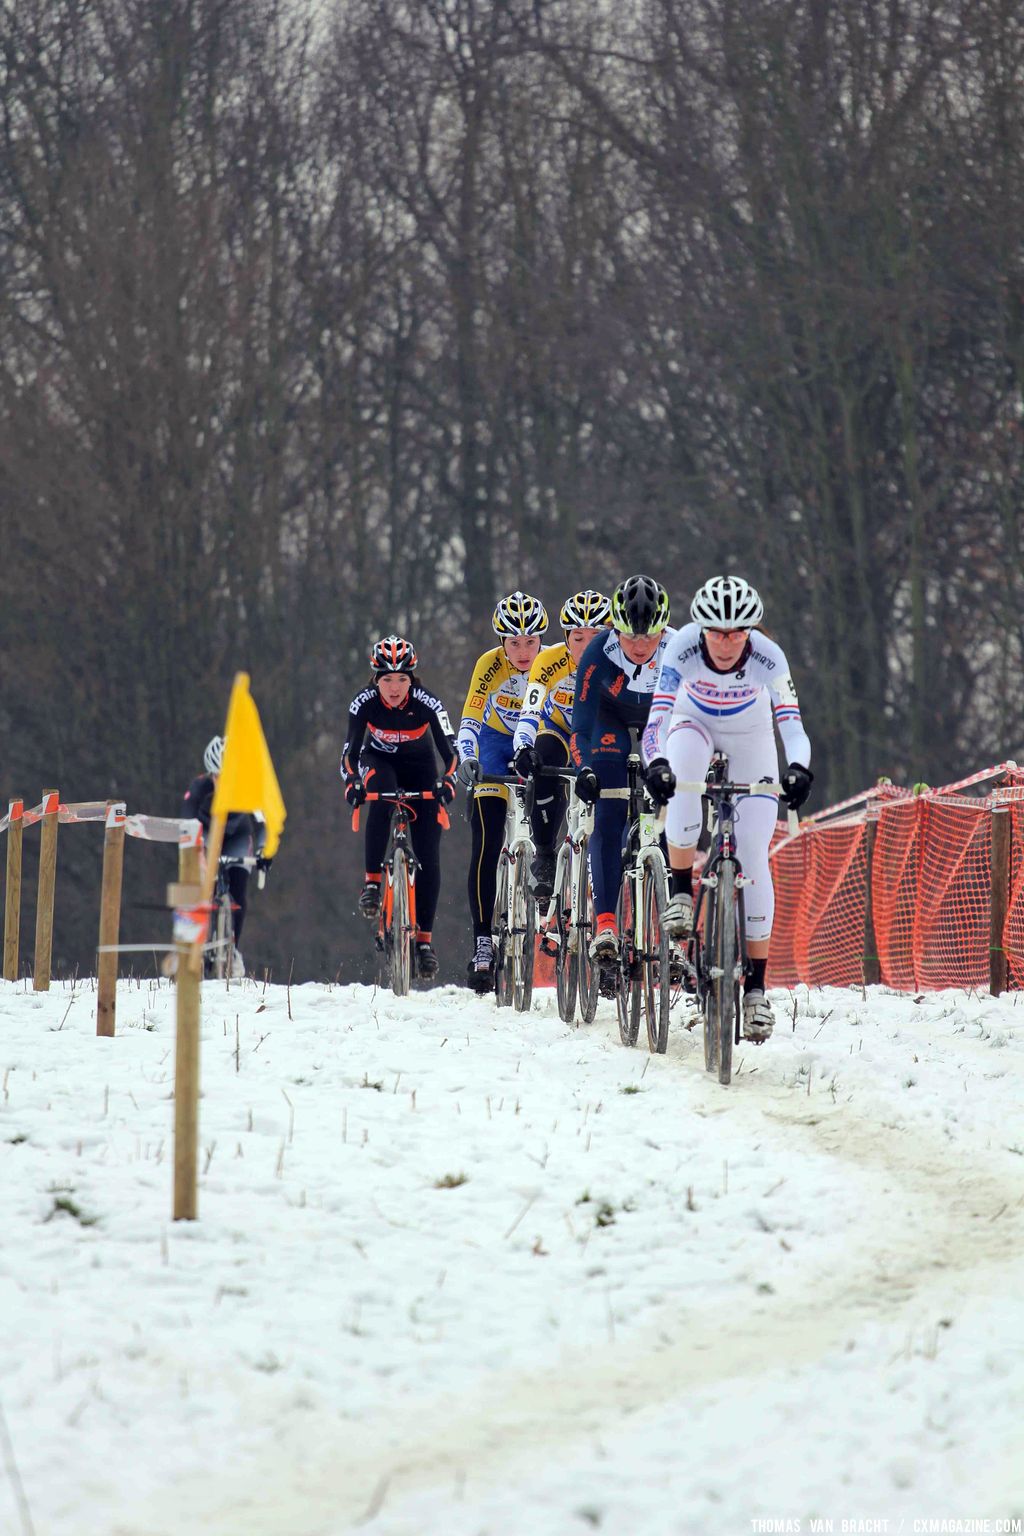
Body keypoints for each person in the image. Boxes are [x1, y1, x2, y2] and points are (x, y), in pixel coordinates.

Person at [642, 574, 813, 1042]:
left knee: (755, 856)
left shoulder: (768, 657)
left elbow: (792, 726)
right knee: (682, 777)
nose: (725, 642)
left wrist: (797, 769)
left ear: (750, 633)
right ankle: (680, 891)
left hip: (751, 737)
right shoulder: (681, 650)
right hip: (692, 723)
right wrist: (656, 763)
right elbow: (657, 719)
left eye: (736, 632)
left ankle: (756, 989)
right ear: (702, 630)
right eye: (716, 632)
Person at [568, 575, 675, 976]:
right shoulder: (598, 652)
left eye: (650, 638)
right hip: (608, 721)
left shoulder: (678, 649)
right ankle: (606, 924)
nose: (641, 647)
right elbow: (580, 726)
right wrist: (584, 769)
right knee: (609, 812)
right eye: (631, 638)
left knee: (668, 809)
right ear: (615, 627)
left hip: (658, 721)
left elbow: (697, 716)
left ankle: (673, 930)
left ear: (664, 630)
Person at [341, 635, 458, 981]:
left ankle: (424, 942)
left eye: (402, 680)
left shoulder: (427, 703)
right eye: (387, 680)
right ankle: (373, 883)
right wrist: (352, 783)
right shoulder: (363, 704)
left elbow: (451, 752)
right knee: (382, 794)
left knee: (428, 852)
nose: (394, 688)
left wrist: (448, 782)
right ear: (375, 679)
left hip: (420, 765)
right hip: (378, 761)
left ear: (413, 680)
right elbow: (348, 753)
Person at [457, 590, 548, 990]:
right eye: (515, 642)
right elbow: (471, 718)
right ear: (501, 642)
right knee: (487, 836)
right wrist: (467, 758)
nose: (524, 651)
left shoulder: (550, 662)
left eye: (531, 642)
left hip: (539, 740)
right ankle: (482, 940)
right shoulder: (489, 666)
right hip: (495, 742)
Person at [511, 589, 612, 906]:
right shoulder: (548, 661)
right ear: (566, 638)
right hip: (556, 728)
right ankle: (544, 853)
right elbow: (529, 712)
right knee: (544, 759)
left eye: (596, 636)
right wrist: (524, 747)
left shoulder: (618, 661)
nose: (586, 646)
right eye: (578, 637)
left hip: (597, 732)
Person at [183, 735, 270, 978]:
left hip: (237, 837)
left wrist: (264, 852)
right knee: (199, 885)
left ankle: (233, 950)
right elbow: (187, 820)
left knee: (239, 889)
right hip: (207, 833)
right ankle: (195, 943)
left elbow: (261, 823)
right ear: (210, 775)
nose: (222, 783)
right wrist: (196, 850)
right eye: (217, 777)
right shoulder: (199, 787)